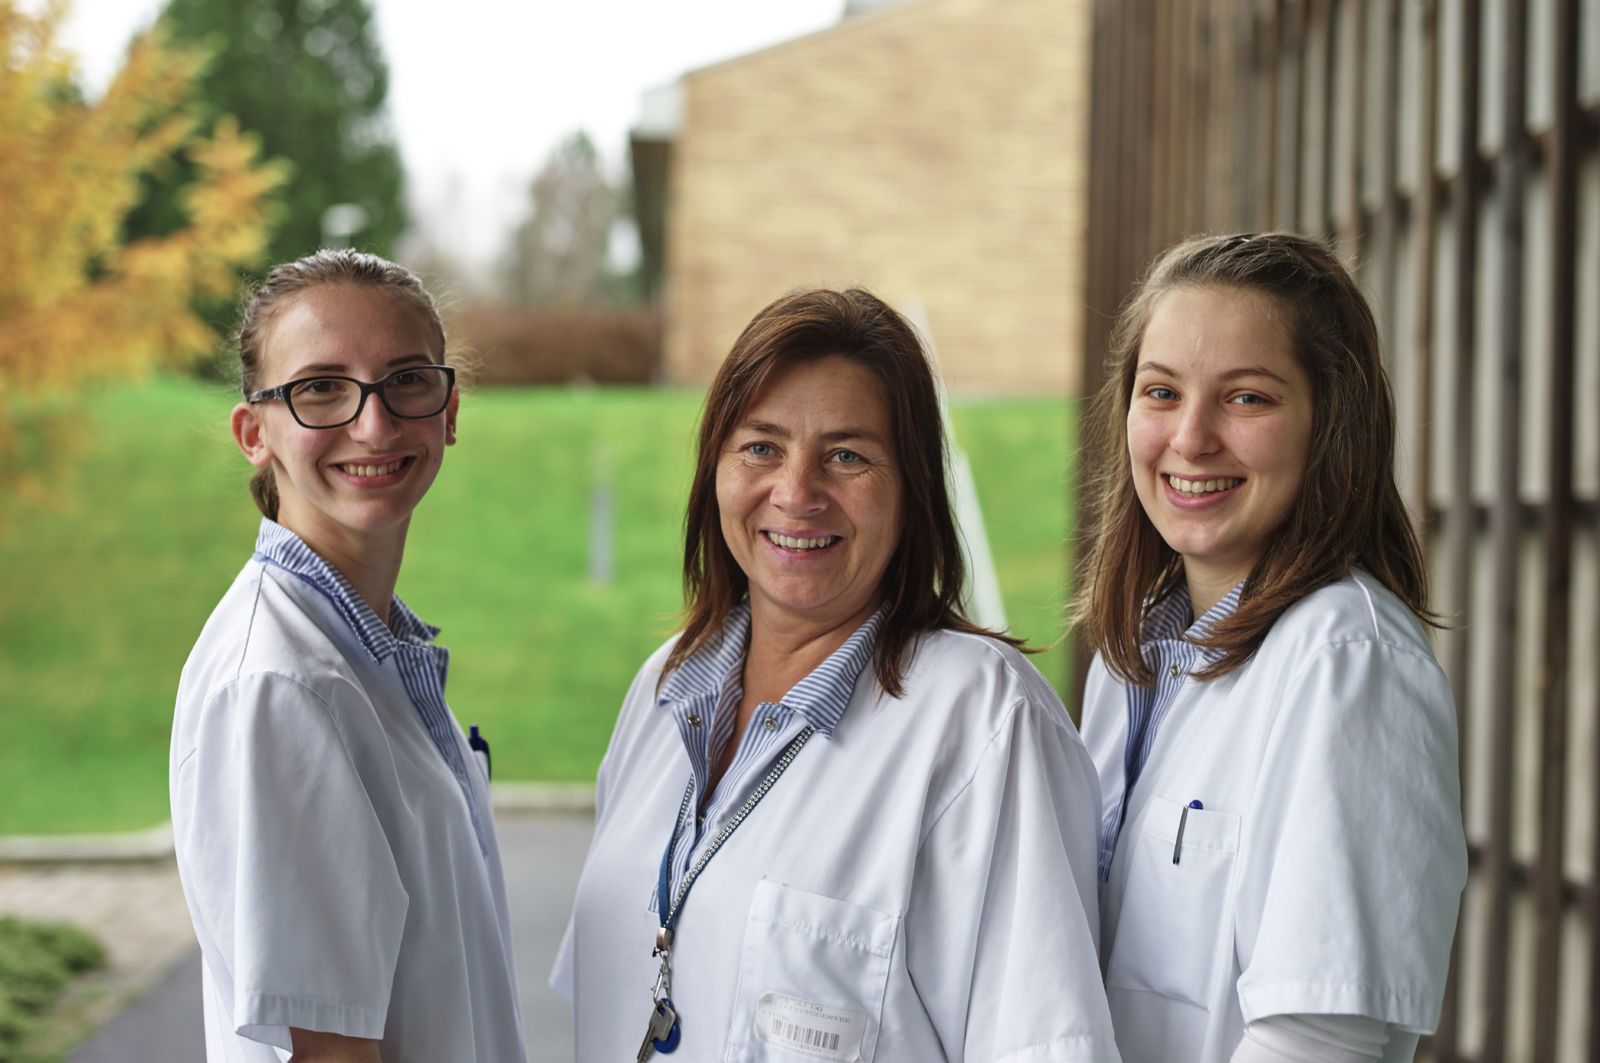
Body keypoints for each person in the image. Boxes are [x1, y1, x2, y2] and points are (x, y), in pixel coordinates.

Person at [553, 288, 1118, 1061]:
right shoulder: (666, 690)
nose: (796, 492)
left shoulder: (983, 719)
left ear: (912, 487)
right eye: (761, 447)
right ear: (714, 468)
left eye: (847, 455)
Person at [1075, 232, 1467, 1063]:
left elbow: (1322, 1035)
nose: (1190, 437)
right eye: (1161, 392)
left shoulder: (1348, 661)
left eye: (1246, 399)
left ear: (1330, 424)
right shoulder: (1135, 656)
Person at [170, 250, 526, 1063]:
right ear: (253, 432)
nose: (374, 424)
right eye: (321, 387)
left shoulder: (370, 653)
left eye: (406, 379)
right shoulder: (280, 684)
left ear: (449, 410)